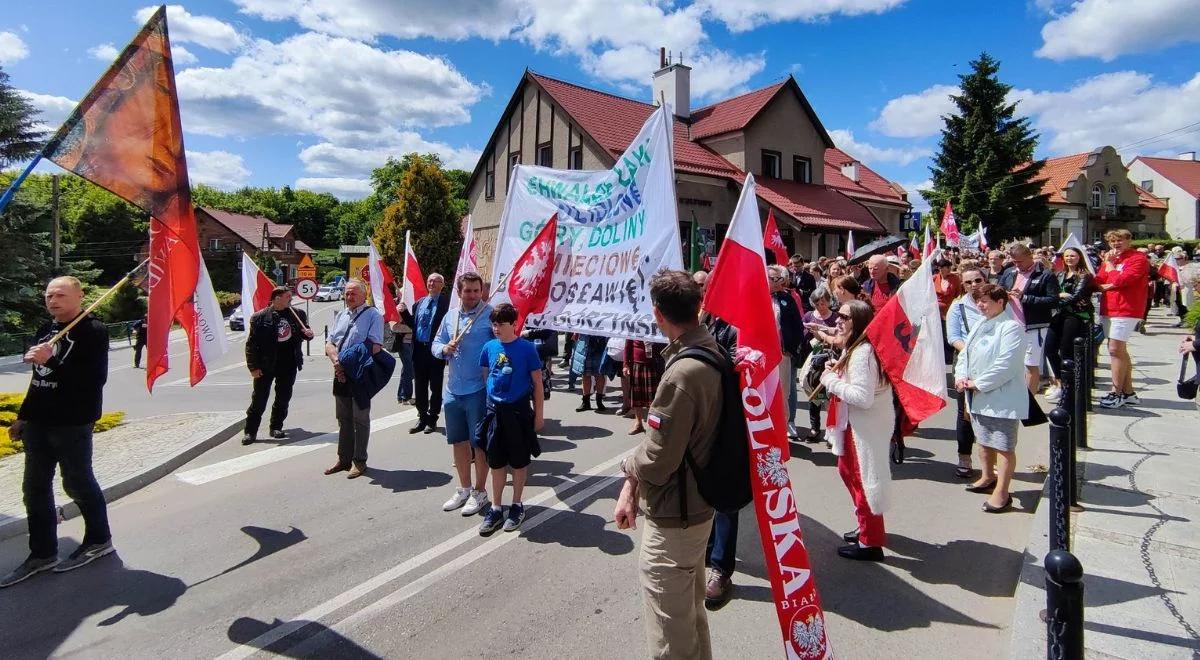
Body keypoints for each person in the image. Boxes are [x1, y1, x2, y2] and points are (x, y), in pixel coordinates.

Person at [614, 270, 722, 659]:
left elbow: (658, 461)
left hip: (677, 515)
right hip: (697, 508)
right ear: (698, 307)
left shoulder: (681, 373)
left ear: (658, 314)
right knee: (689, 618)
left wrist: (629, 467)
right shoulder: (709, 349)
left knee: (670, 639)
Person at [1, 277, 113, 588]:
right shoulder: (45, 329)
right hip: (39, 423)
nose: (53, 300)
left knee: (77, 482)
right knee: (34, 488)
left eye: (61, 294)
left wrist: (53, 361)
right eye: (49, 294)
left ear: (80, 296)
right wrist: (23, 417)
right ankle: (42, 553)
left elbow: (92, 381)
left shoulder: (93, 331)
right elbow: (38, 380)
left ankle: (99, 540)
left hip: (73, 422)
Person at [819, 299, 894, 561]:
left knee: (864, 481)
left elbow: (863, 397)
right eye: (838, 315)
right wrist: (836, 374)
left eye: (844, 317)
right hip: (853, 424)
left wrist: (830, 381)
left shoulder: (862, 352)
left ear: (858, 321)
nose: (837, 320)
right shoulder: (856, 348)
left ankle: (870, 542)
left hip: (865, 426)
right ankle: (865, 526)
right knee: (848, 472)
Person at [956, 284, 1027, 513]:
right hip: (976, 395)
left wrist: (979, 384)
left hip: (1000, 397)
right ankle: (987, 477)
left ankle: (1003, 492)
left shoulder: (1011, 327)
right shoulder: (980, 323)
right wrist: (961, 377)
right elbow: (964, 354)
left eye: (985, 301)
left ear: (1001, 302)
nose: (980, 305)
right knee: (984, 439)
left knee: (1003, 445)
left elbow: (1007, 364)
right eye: (978, 300)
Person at [474, 304, 545, 536]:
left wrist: (539, 415)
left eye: (501, 324)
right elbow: (487, 376)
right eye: (494, 324)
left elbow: (537, 384)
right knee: (495, 461)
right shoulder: (489, 347)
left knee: (518, 460)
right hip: (495, 411)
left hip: (518, 412)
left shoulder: (527, 349)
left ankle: (516, 504)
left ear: (514, 324)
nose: (496, 328)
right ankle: (495, 507)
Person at [433, 272, 495, 516]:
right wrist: (443, 349)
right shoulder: (450, 316)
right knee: (458, 442)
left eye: (476, 291)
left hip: (478, 390)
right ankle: (464, 488)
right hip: (453, 390)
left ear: (482, 292)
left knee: (478, 443)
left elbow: (503, 343)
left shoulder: (489, 315)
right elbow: (436, 343)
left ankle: (480, 492)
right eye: (467, 291)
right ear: (459, 292)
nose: (472, 295)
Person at [324, 280, 384, 479]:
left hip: (359, 374)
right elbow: (330, 342)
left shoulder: (373, 315)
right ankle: (344, 459)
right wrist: (336, 362)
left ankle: (359, 461)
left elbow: (375, 345)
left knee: (360, 418)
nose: (349, 297)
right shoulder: (341, 315)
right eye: (347, 294)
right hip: (339, 372)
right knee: (343, 418)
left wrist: (346, 362)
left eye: (353, 294)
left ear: (364, 295)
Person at [243, 286, 313, 444]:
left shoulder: (297, 314)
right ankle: (250, 431)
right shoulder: (260, 317)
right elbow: (251, 344)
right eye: (288, 296)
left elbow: (304, 332)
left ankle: (276, 426)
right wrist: (253, 367)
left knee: (283, 397)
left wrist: (308, 334)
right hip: (266, 363)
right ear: (276, 298)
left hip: (289, 362)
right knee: (259, 399)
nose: (291, 299)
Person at [1094, 230, 1150, 408]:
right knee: (1120, 351)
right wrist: (1108, 278)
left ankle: (1115, 392)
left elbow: (1122, 280)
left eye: (1119, 240)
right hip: (1109, 307)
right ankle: (1128, 392)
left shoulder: (1137, 258)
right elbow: (1099, 280)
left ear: (1128, 240)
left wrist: (1110, 270)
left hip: (1127, 308)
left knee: (1114, 350)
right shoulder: (1111, 259)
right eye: (1112, 241)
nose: (1116, 244)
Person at [999, 244, 1060, 393]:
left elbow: (1053, 300)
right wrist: (1003, 295)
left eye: (1019, 261)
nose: (1016, 265)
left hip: (1034, 326)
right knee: (1012, 363)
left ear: (1029, 257)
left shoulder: (1046, 275)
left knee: (1031, 365)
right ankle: (1016, 397)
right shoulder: (1009, 272)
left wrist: (1025, 297)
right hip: (1010, 325)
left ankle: (1029, 404)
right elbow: (998, 290)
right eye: (1014, 261)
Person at [946, 268, 987, 478]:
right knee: (965, 411)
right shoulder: (958, 306)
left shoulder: (997, 300)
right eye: (968, 282)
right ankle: (964, 456)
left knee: (991, 412)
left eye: (977, 280)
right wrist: (972, 351)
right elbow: (953, 337)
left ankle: (991, 461)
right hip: (966, 362)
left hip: (992, 363)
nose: (974, 285)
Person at [1044, 248, 1094, 403]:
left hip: (1075, 315)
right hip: (1059, 314)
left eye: (1073, 255)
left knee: (1067, 351)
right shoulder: (1060, 274)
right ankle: (1060, 382)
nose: (1069, 258)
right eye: (1066, 256)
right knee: (1049, 349)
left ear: (1079, 257)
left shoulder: (1085, 275)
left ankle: (1068, 387)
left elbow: (1076, 296)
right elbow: (1053, 294)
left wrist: (1058, 298)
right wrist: (1058, 296)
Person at [402, 274, 450, 434]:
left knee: (435, 386)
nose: (431, 283)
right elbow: (414, 325)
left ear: (442, 284)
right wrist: (403, 313)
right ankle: (422, 417)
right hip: (419, 350)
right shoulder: (419, 303)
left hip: (435, 350)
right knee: (420, 386)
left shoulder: (447, 304)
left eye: (436, 281)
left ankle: (432, 418)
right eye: (429, 280)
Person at [769, 264, 805, 439]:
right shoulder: (755, 297)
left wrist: (792, 348)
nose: (777, 283)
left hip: (782, 354)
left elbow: (797, 326)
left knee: (783, 392)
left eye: (779, 279)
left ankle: (783, 430)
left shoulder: (787, 299)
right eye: (773, 279)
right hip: (761, 356)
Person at [802, 286, 839, 442]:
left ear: (829, 302)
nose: (820, 307)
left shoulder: (836, 317)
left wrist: (822, 332)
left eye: (823, 303)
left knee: (831, 396)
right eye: (817, 303)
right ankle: (814, 427)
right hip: (814, 359)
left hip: (831, 359)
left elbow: (838, 335)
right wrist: (809, 331)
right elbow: (802, 335)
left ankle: (832, 432)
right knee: (814, 393)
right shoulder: (809, 315)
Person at [624, 339, 665, 435]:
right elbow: (628, 344)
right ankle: (638, 424)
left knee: (654, 398)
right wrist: (625, 364)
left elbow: (665, 342)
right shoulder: (634, 325)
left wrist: (654, 343)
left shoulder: (656, 325)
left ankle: (654, 426)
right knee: (637, 396)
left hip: (654, 363)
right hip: (636, 363)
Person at [570, 334, 608, 412]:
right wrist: (576, 332)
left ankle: (599, 401)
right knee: (585, 374)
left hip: (600, 342)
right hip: (585, 342)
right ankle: (585, 402)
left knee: (599, 373)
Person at [391, 299, 415, 403]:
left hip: (412, 343)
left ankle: (402, 395)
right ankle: (406, 396)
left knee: (407, 369)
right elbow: (394, 327)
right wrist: (413, 328)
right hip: (405, 344)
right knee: (409, 369)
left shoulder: (412, 308)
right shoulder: (398, 309)